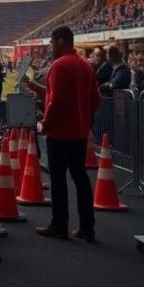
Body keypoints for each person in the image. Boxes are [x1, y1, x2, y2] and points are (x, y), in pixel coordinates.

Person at [25, 26, 100, 243]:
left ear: (61, 41)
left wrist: (46, 124)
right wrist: (85, 119)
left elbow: (56, 101)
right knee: (80, 176)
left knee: (58, 179)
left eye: (52, 42)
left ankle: (59, 225)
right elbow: (95, 98)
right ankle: (87, 227)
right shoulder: (85, 65)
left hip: (59, 132)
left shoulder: (59, 65)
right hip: (79, 131)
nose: (50, 46)